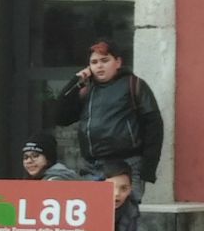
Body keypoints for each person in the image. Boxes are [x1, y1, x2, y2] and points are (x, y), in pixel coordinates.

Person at [54, 38, 164, 200]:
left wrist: (148, 168)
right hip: (92, 166)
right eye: (94, 62)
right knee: (93, 212)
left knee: (126, 212)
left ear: (118, 62)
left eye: (105, 60)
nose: (99, 66)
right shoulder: (87, 90)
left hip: (127, 165)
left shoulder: (134, 85)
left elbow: (154, 127)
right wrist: (75, 82)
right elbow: (60, 117)